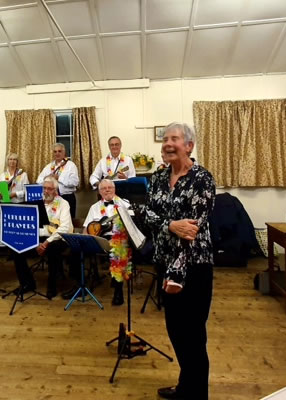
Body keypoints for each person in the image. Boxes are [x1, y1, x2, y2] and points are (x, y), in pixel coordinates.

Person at [139, 122, 215, 400]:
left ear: (189, 145)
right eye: (165, 139)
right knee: (175, 330)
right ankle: (186, 386)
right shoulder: (158, 178)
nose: (167, 143)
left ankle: (197, 394)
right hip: (164, 263)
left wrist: (177, 275)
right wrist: (170, 224)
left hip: (193, 267)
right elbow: (147, 214)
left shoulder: (202, 178)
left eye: (174, 139)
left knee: (194, 335)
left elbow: (192, 229)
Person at [83, 179, 131, 305]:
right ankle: (81, 285)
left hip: (118, 238)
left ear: (114, 189)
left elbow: (132, 226)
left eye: (110, 187)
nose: (108, 190)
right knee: (76, 250)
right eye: (104, 188)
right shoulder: (94, 207)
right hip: (98, 239)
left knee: (119, 249)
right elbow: (85, 228)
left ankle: (118, 290)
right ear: (100, 192)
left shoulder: (124, 204)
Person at [35, 176, 73, 298]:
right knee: (17, 247)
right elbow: (33, 225)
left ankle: (52, 285)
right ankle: (27, 283)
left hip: (58, 239)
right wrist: (35, 242)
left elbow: (64, 228)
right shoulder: (37, 203)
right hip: (40, 237)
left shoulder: (63, 204)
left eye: (50, 189)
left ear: (55, 190)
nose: (46, 191)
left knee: (53, 248)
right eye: (44, 188)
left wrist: (46, 243)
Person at [36, 143, 79, 218]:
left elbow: (75, 182)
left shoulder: (71, 165)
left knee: (67, 221)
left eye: (59, 151)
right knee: (52, 222)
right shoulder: (49, 166)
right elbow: (38, 180)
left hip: (67, 197)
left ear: (64, 153)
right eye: (55, 152)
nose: (57, 153)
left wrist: (59, 178)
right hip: (51, 198)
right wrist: (48, 178)